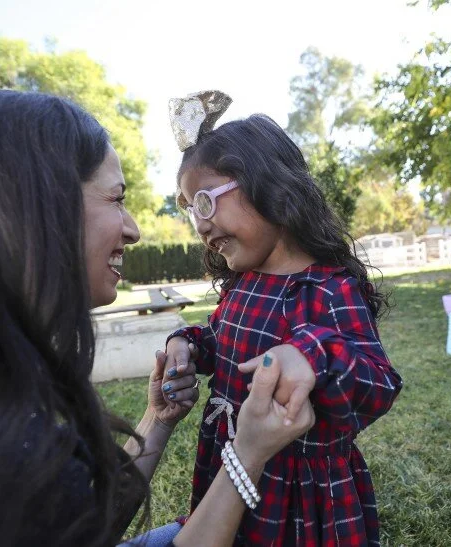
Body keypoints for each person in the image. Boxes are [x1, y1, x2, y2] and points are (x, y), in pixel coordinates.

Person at [0, 89, 314, 547]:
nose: (133, 229)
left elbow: (77, 523)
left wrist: (158, 420)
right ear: (36, 205)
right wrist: (248, 452)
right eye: (116, 198)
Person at [165, 94, 403, 545]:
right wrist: (189, 345)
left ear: (267, 186)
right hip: (231, 461)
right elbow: (221, 342)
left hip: (299, 494)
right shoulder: (244, 284)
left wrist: (312, 355)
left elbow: (380, 382)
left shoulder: (328, 288)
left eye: (203, 201)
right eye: (188, 209)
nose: (199, 225)